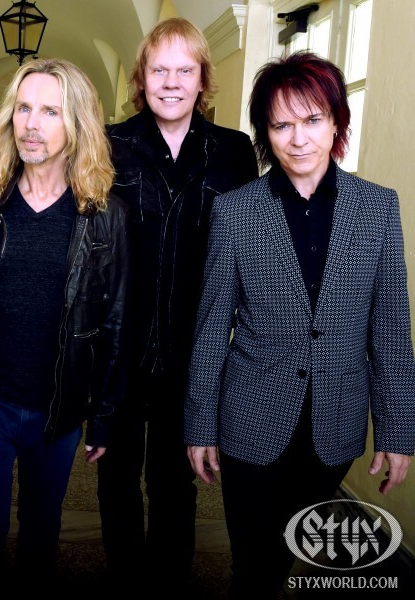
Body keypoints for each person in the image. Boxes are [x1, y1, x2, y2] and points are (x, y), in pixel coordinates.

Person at [185, 51, 415, 599]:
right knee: (254, 567)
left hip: (336, 426)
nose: (298, 139)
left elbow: (390, 332)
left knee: (290, 550)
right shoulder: (235, 212)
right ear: (265, 134)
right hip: (249, 419)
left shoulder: (378, 209)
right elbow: (212, 327)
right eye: (281, 125)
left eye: (312, 120)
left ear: (336, 122)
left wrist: (397, 431)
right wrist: (199, 424)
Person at [0, 57, 129, 582]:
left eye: (49, 111)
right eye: (23, 108)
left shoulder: (105, 216)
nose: (31, 124)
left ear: (77, 123)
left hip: (56, 411)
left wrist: (104, 415)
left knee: (41, 536)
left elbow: (114, 322)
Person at [98, 17, 258, 584]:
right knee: (116, 475)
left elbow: (248, 252)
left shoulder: (234, 153)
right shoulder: (109, 144)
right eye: (160, 70)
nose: (171, 82)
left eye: (184, 70)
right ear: (142, 78)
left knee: (175, 479)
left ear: (203, 79)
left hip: (193, 351)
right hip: (119, 348)